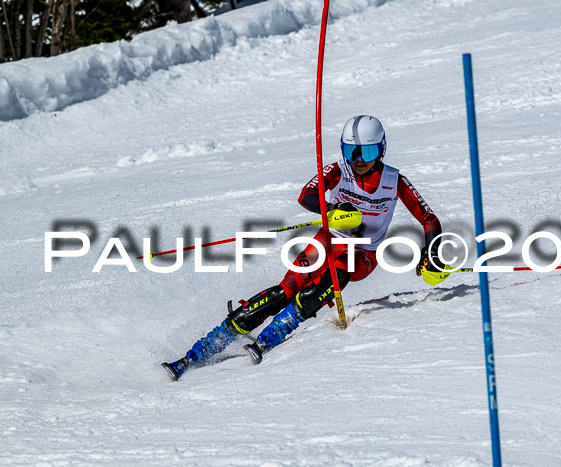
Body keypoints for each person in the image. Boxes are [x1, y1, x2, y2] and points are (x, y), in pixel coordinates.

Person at [161, 115, 444, 381]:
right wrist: (332, 208)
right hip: (328, 239)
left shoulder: (394, 180)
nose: (358, 161)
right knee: (283, 290)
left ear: (381, 150)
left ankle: (276, 332)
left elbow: (428, 218)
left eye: (367, 153)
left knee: (337, 276)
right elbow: (306, 196)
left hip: (364, 252)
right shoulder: (338, 170)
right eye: (351, 152)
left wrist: (432, 250)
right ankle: (197, 353)